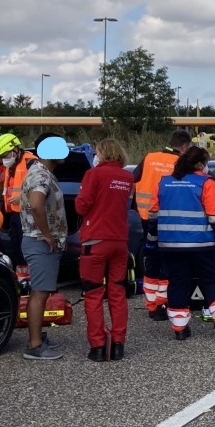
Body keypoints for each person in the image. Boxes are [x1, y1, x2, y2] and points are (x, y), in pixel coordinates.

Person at [149, 145, 215, 340]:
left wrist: (152, 240)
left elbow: (153, 215)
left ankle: (180, 329)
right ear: (200, 165)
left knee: (177, 282)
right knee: (212, 279)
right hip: (203, 244)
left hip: (171, 245)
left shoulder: (163, 183)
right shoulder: (206, 183)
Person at [75, 139, 134, 361]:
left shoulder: (93, 174)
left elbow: (82, 205)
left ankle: (98, 346)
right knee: (117, 292)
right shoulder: (127, 177)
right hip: (119, 240)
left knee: (93, 293)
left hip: (96, 239)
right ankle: (118, 343)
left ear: (102, 153)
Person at [18, 134, 70, 360]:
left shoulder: (41, 172)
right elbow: (37, 204)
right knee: (39, 293)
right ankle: (35, 345)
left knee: (42, 291)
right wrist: (47, 234)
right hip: (40, 243)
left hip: (38, 241)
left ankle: (37, 336)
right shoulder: (41, 175)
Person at [133, 128, 192, 321]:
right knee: (168, 263)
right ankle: (163, 303)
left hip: (147, 218)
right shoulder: (180, 163)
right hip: (169, 220)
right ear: (184, 146)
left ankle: (152, 305)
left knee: (152, 262)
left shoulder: (149, 158)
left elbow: (133, 180)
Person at [0, 132, 38, 267]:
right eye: (1, 156)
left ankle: (30, 276)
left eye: (5, 155)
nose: (3, 159)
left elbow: (41, 187)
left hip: (28, 213)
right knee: (16, 247)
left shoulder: (30, 162)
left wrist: (23, 198)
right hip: (14, 213)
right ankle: (22, 275)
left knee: (25, 249)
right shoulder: (9, 165)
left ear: (16, 149)